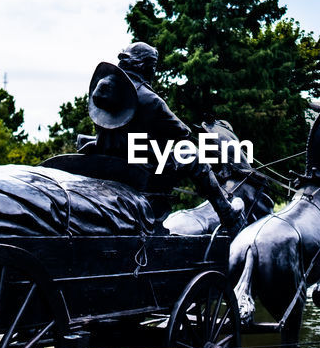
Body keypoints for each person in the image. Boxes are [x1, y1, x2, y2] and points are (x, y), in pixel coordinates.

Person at [88, 42, 243, 232]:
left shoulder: (107, 90)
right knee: (191, 155)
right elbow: (182, 131)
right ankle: (227, 214)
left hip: (109, 162)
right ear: (145, 66)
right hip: (141, 171)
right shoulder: (150, 99)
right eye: (153, 66)